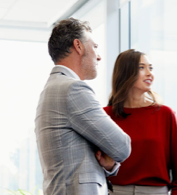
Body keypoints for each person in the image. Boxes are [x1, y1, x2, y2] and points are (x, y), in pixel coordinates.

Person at [34, 18, 131, 195]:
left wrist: (109, 163)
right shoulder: (73, 89)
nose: (99, 56)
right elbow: (122, 146)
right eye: (94, 47)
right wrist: (111, 157)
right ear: (78, 46)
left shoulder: (52, 89)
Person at [104, 49, 177, 195]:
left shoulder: (166, 115)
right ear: (126, 72)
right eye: (142, 68)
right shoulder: (105, 115)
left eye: (151, 68)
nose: (150, 73)